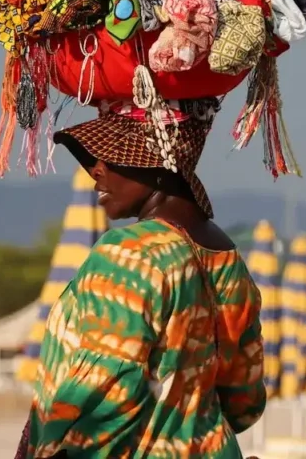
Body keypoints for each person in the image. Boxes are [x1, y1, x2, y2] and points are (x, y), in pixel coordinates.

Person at [17, 100, 267, 458]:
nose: (95, 170)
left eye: (109, 154)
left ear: (159, 165)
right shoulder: (228, 258)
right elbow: (246, 404)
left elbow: (103, 397)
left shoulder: (130, 253)